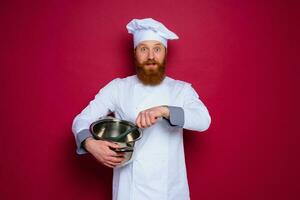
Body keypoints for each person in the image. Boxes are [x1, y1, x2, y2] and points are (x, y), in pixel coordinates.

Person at [72, 18, 211, 200]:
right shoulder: (118, 88)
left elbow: (203, 120)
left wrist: (164, 110)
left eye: (157, 49)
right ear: (135, 52)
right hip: (129, 190)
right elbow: (81, 120)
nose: (151, 56)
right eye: (144, 49)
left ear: (165, 53)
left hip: (170, 190)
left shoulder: (181, 90)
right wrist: (90, 144)